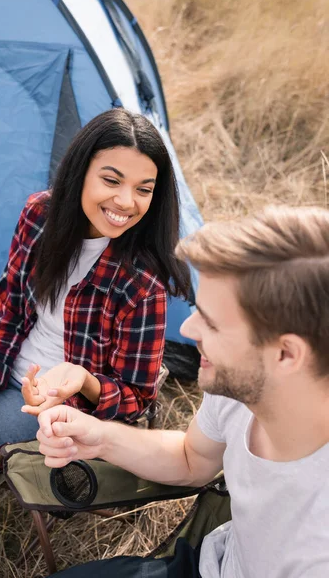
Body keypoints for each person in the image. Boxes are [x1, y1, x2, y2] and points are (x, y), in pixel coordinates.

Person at [36, 205, 329, 578]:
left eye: (211, 322)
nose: (188, 330)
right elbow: (193, 458)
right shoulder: (243, 389)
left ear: (285, 354)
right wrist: (99, 438)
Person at [0, 108, 190, 483]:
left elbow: (135, 400)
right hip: (11, 356)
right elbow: (10, 314)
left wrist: (82, 379)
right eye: (111, 180)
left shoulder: (142, 283)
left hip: (49, 404)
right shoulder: (40, 215)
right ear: (81, 171)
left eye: (143, 189)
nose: (126, 202)